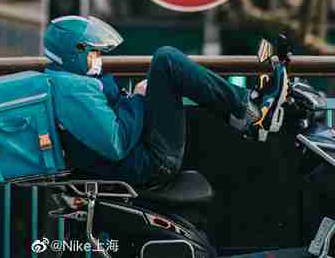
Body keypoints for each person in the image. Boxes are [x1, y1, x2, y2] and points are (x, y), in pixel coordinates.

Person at [44, 15, 289, 189]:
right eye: (93, 52)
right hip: (150, 163)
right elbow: (115, 142)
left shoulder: (71, 82)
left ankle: (245, 110)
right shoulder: (72, 90)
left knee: (166, 62)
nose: (98, 58)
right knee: (166, 60)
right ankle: (250, 111)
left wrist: (134, 99)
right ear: (73, 51)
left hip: (141, 151)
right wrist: (138, 99)